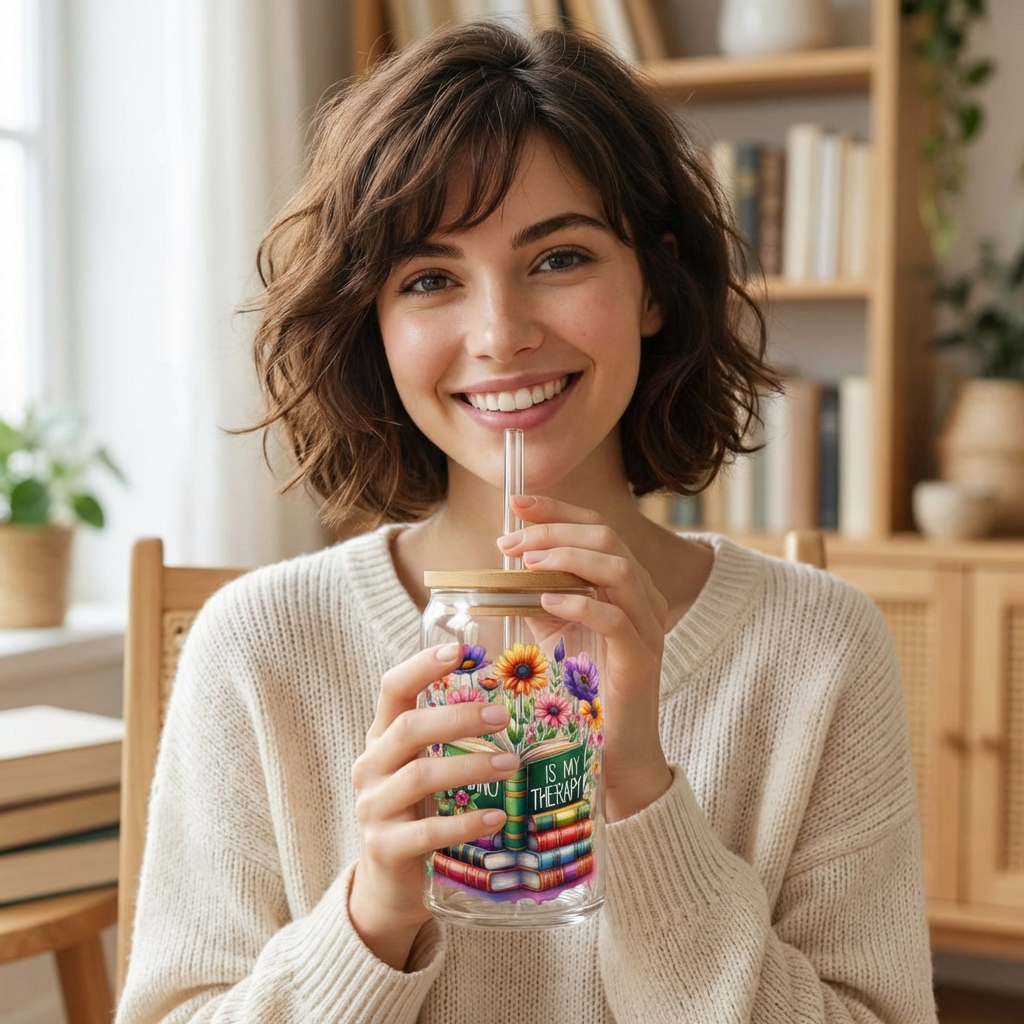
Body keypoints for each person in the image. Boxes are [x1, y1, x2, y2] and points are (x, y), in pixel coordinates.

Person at [116, 23, 936, 1024]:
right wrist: (370, 916)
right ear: (372, 322)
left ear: (651, 285)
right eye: (429, 279)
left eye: (559, 257)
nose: (500, 334)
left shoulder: (817, 648)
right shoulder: (257, 646)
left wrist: (641, 797)